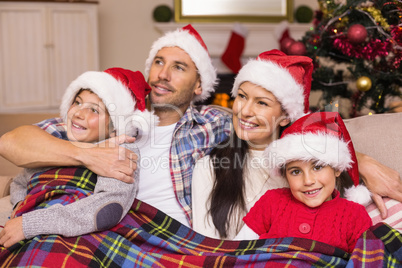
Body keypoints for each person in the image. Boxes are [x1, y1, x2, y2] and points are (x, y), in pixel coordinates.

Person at [0, 25, 400, 228]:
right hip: (104, 217)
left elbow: (285, 129)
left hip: (171, 233)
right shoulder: (111, 118)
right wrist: (89, 155)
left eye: (179, 67)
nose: (162, 74)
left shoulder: (216, 123)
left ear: (199, 85)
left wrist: (358, 158)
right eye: (158, 61)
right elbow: (12, 142)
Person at [0, 68, 156, 248]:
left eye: (94, 110)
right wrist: (21, 207)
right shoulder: (55, 137)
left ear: (115, 127)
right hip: (32, 228)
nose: (79, 113)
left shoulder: (119, 149)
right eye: (77, 102)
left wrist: (31, 223)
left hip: (83, 239)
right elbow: (20, 182)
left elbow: (107, 210)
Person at [192, 50, 314, 239]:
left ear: (285, 117)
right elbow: (206, 246)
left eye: (262, 103)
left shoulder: (304, 173)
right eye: (241, 96)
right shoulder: (208, 168)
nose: (245, 111)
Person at [234, 111, 372, 253]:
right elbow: (236, 249)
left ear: (337, 169)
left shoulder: (354, 215)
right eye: (296, 171)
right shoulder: (272, 201)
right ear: (285, 175)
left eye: (317, 167)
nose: (308, 181)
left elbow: (367, 261)